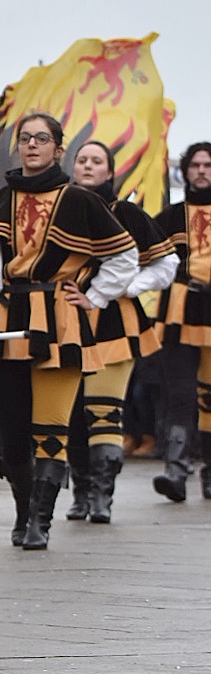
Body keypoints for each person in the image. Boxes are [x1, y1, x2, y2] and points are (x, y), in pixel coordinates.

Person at [0, 114, 138, 550]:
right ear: (18, 147)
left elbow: (125, 255)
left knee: (51, 426)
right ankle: (21, 513)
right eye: (26, 138)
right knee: (13, 431)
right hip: (10, 317)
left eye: (42, 138)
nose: (32, 144)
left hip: (60, 319)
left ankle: (41, 522)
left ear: (58, 148)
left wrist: (95, 296)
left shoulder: (81, 200)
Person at [64, 141, 176, 523]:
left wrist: (125, 286)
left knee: (104, 412)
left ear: (109, 171)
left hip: (114, 323)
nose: (89, 166)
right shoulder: (59, 209)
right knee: (71, 414)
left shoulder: (126, 212)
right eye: (82, 160)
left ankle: (101, 498)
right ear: (73, 167)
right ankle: (79, 492)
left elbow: (166, 264)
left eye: (97, 161)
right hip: (65, 321)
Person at [152, 141, 211, 502]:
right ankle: (175, 470)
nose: (202, 171)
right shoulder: (169, 217)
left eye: (208, 165)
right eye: (196, 165)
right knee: (179, 392)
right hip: (179, 309)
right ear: (185, 170)